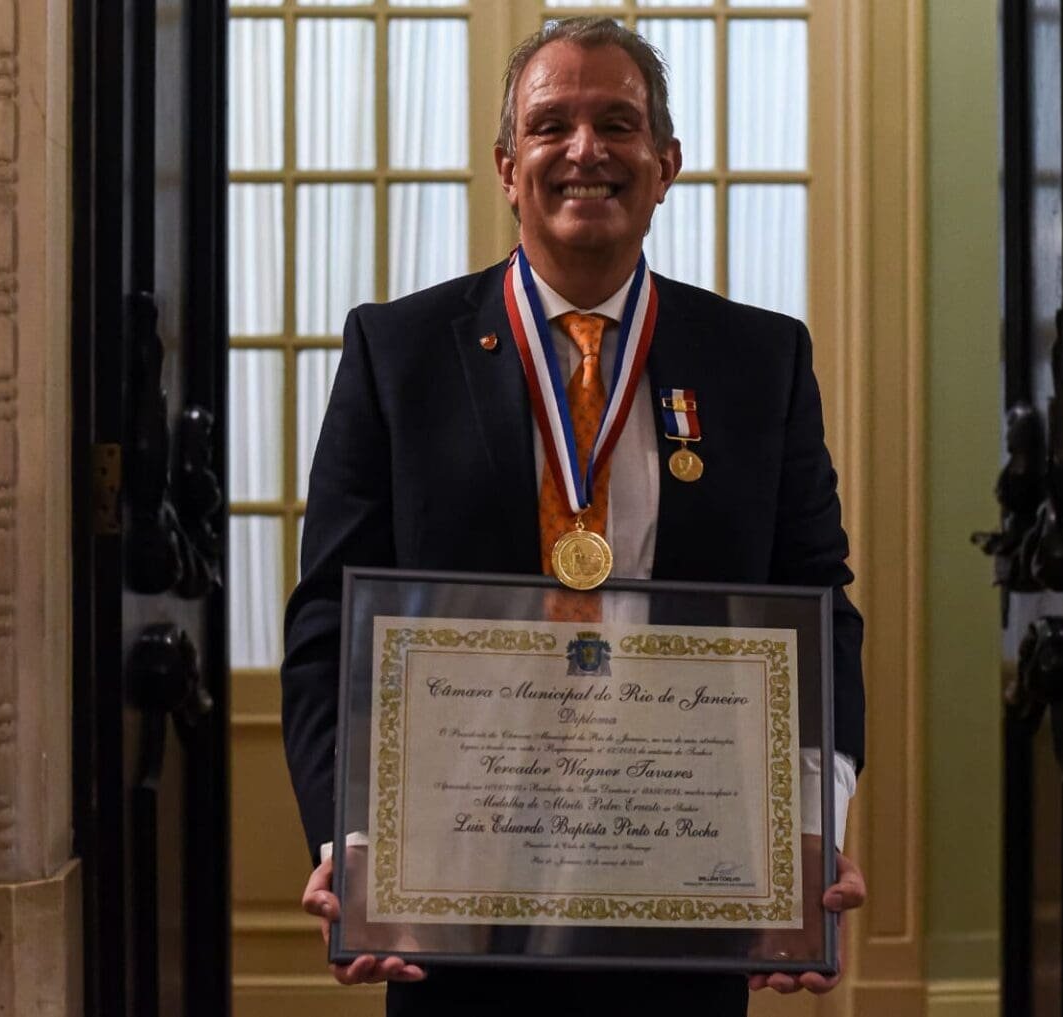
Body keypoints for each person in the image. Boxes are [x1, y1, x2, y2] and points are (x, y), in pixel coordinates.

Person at [281, 16, 867, 1016]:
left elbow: (815, 611)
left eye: (618, 123)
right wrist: (358, 841)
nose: (586, 150)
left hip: (686, 860)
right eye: (552, 127)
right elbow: (330, 622)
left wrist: (807, 830)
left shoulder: (760, 361)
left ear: (666, 162)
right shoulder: (398, 352)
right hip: (455, 871)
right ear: (509, 168)